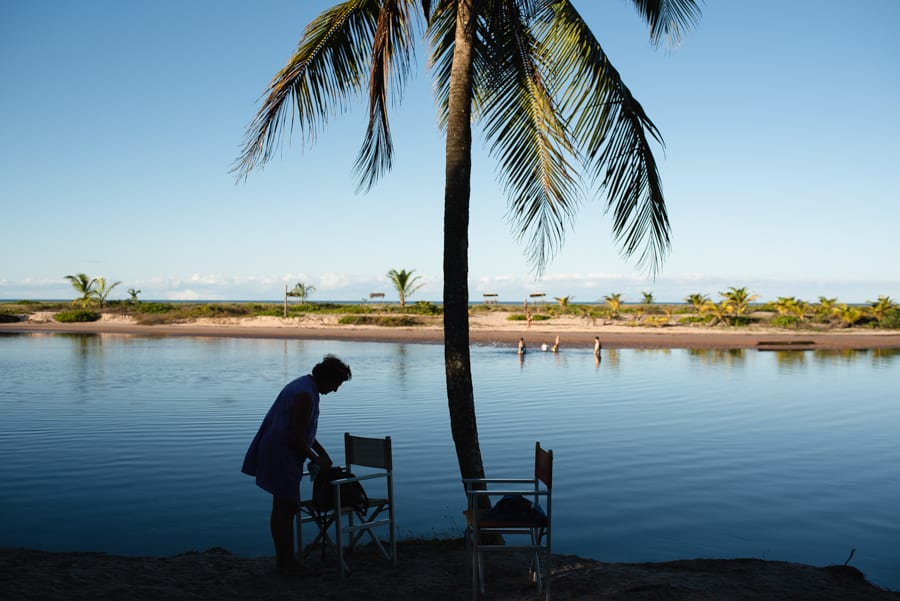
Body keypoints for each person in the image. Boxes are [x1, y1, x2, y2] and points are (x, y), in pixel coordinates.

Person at [241, 354, 352, 575]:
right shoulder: (305, 395)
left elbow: (302, 429)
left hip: (278, 449)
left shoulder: (305, 386)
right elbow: (295, 437)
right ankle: (287, 563)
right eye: (337, 384)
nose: (336, 390)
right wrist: (316, 459)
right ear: (328, 379)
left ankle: (284, 560)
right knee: (286, 509)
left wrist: (321, 452)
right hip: (281, 452)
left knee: (282, 508)